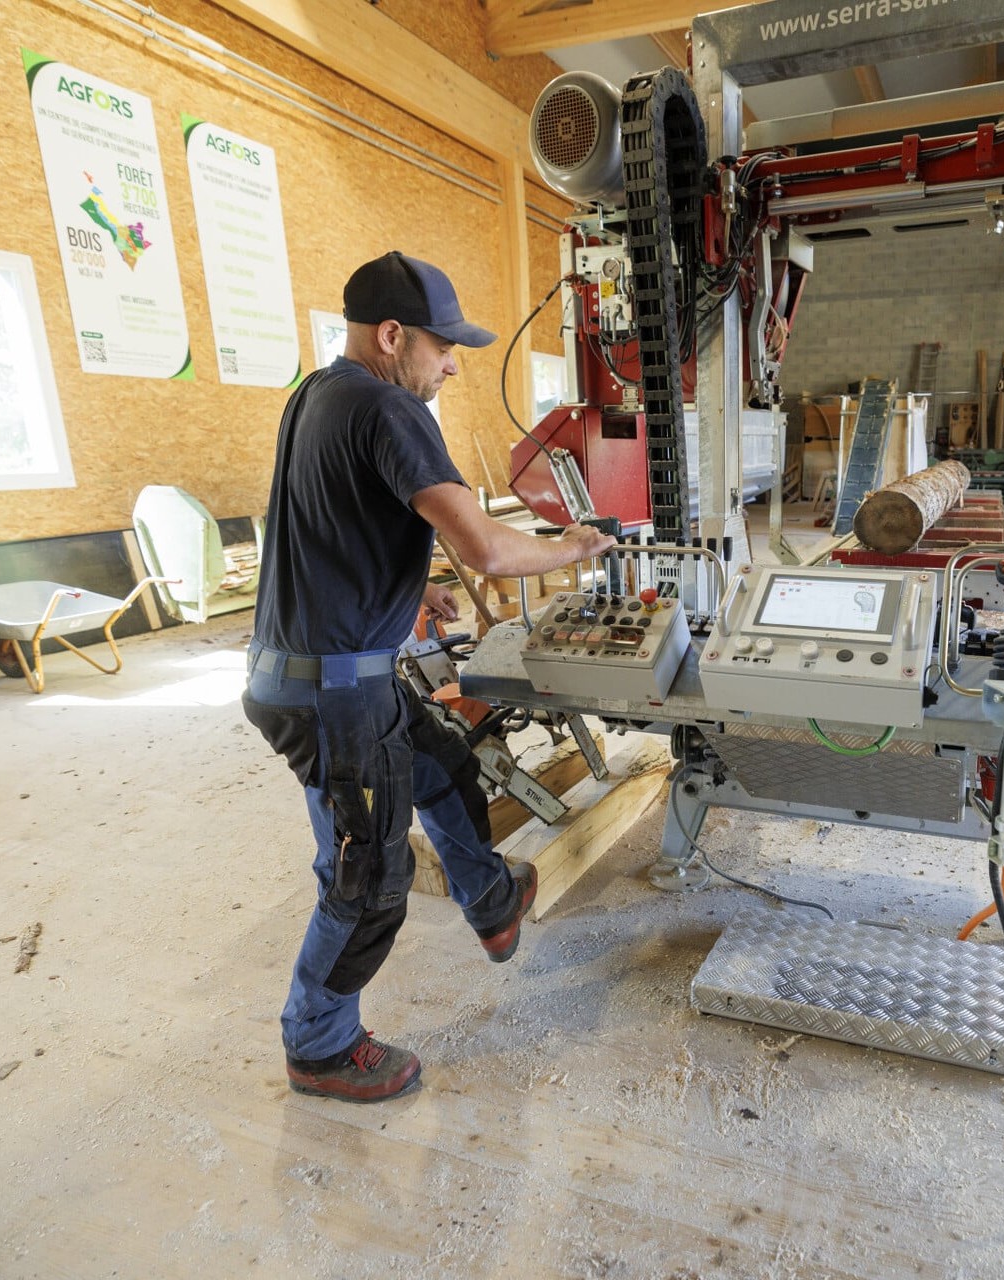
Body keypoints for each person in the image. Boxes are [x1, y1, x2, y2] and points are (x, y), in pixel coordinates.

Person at [242, 250, 616, 1103]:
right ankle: (320, 1044)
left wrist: (405, 594)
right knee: (368, 874)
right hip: (332, 692)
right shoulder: (391, 405)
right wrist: (573, 547)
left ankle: (490, 899)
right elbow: (487, 546)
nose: (451, 364)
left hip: (312, 666)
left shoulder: (316, 396)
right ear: (391, 336)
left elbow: (329, 529)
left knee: (443, 762)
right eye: (443, 347)